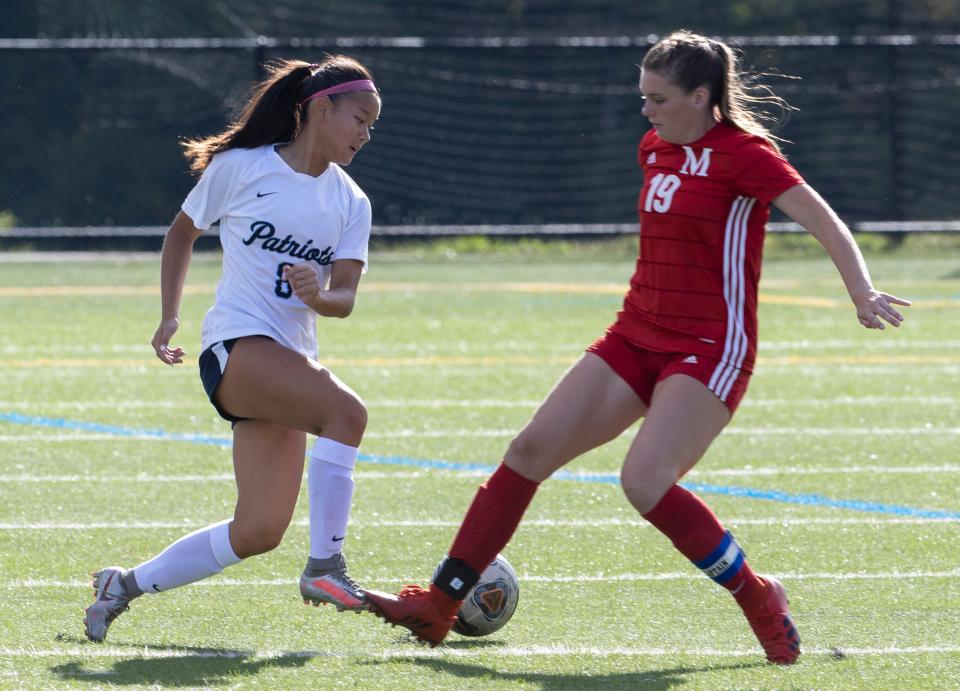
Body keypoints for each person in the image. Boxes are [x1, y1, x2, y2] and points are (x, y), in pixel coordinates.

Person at [364, 30, 911, 665]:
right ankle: (439, 605)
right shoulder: (655, 146)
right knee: (528, 451)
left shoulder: (747, 154)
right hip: (634, 333)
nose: (645, 110)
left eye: (657, 97)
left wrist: (861, 290)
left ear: (701, 96)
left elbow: (821, 218)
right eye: (642, 96)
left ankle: (759, 596)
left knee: (645, 480)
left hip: (709, 346)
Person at [83, 55, 382, 642]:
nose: (365, 134)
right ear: (321, 108)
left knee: (259, 531)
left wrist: (319, 296)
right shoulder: (242, 167)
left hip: (286, 362)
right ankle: (326, 567)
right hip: (236, 347)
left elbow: (344, 297)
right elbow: (182, 232)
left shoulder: (352, 202)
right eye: (359, 119)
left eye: (373, 125)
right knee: (347, 413)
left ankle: (123, 585)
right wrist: (170, 315)